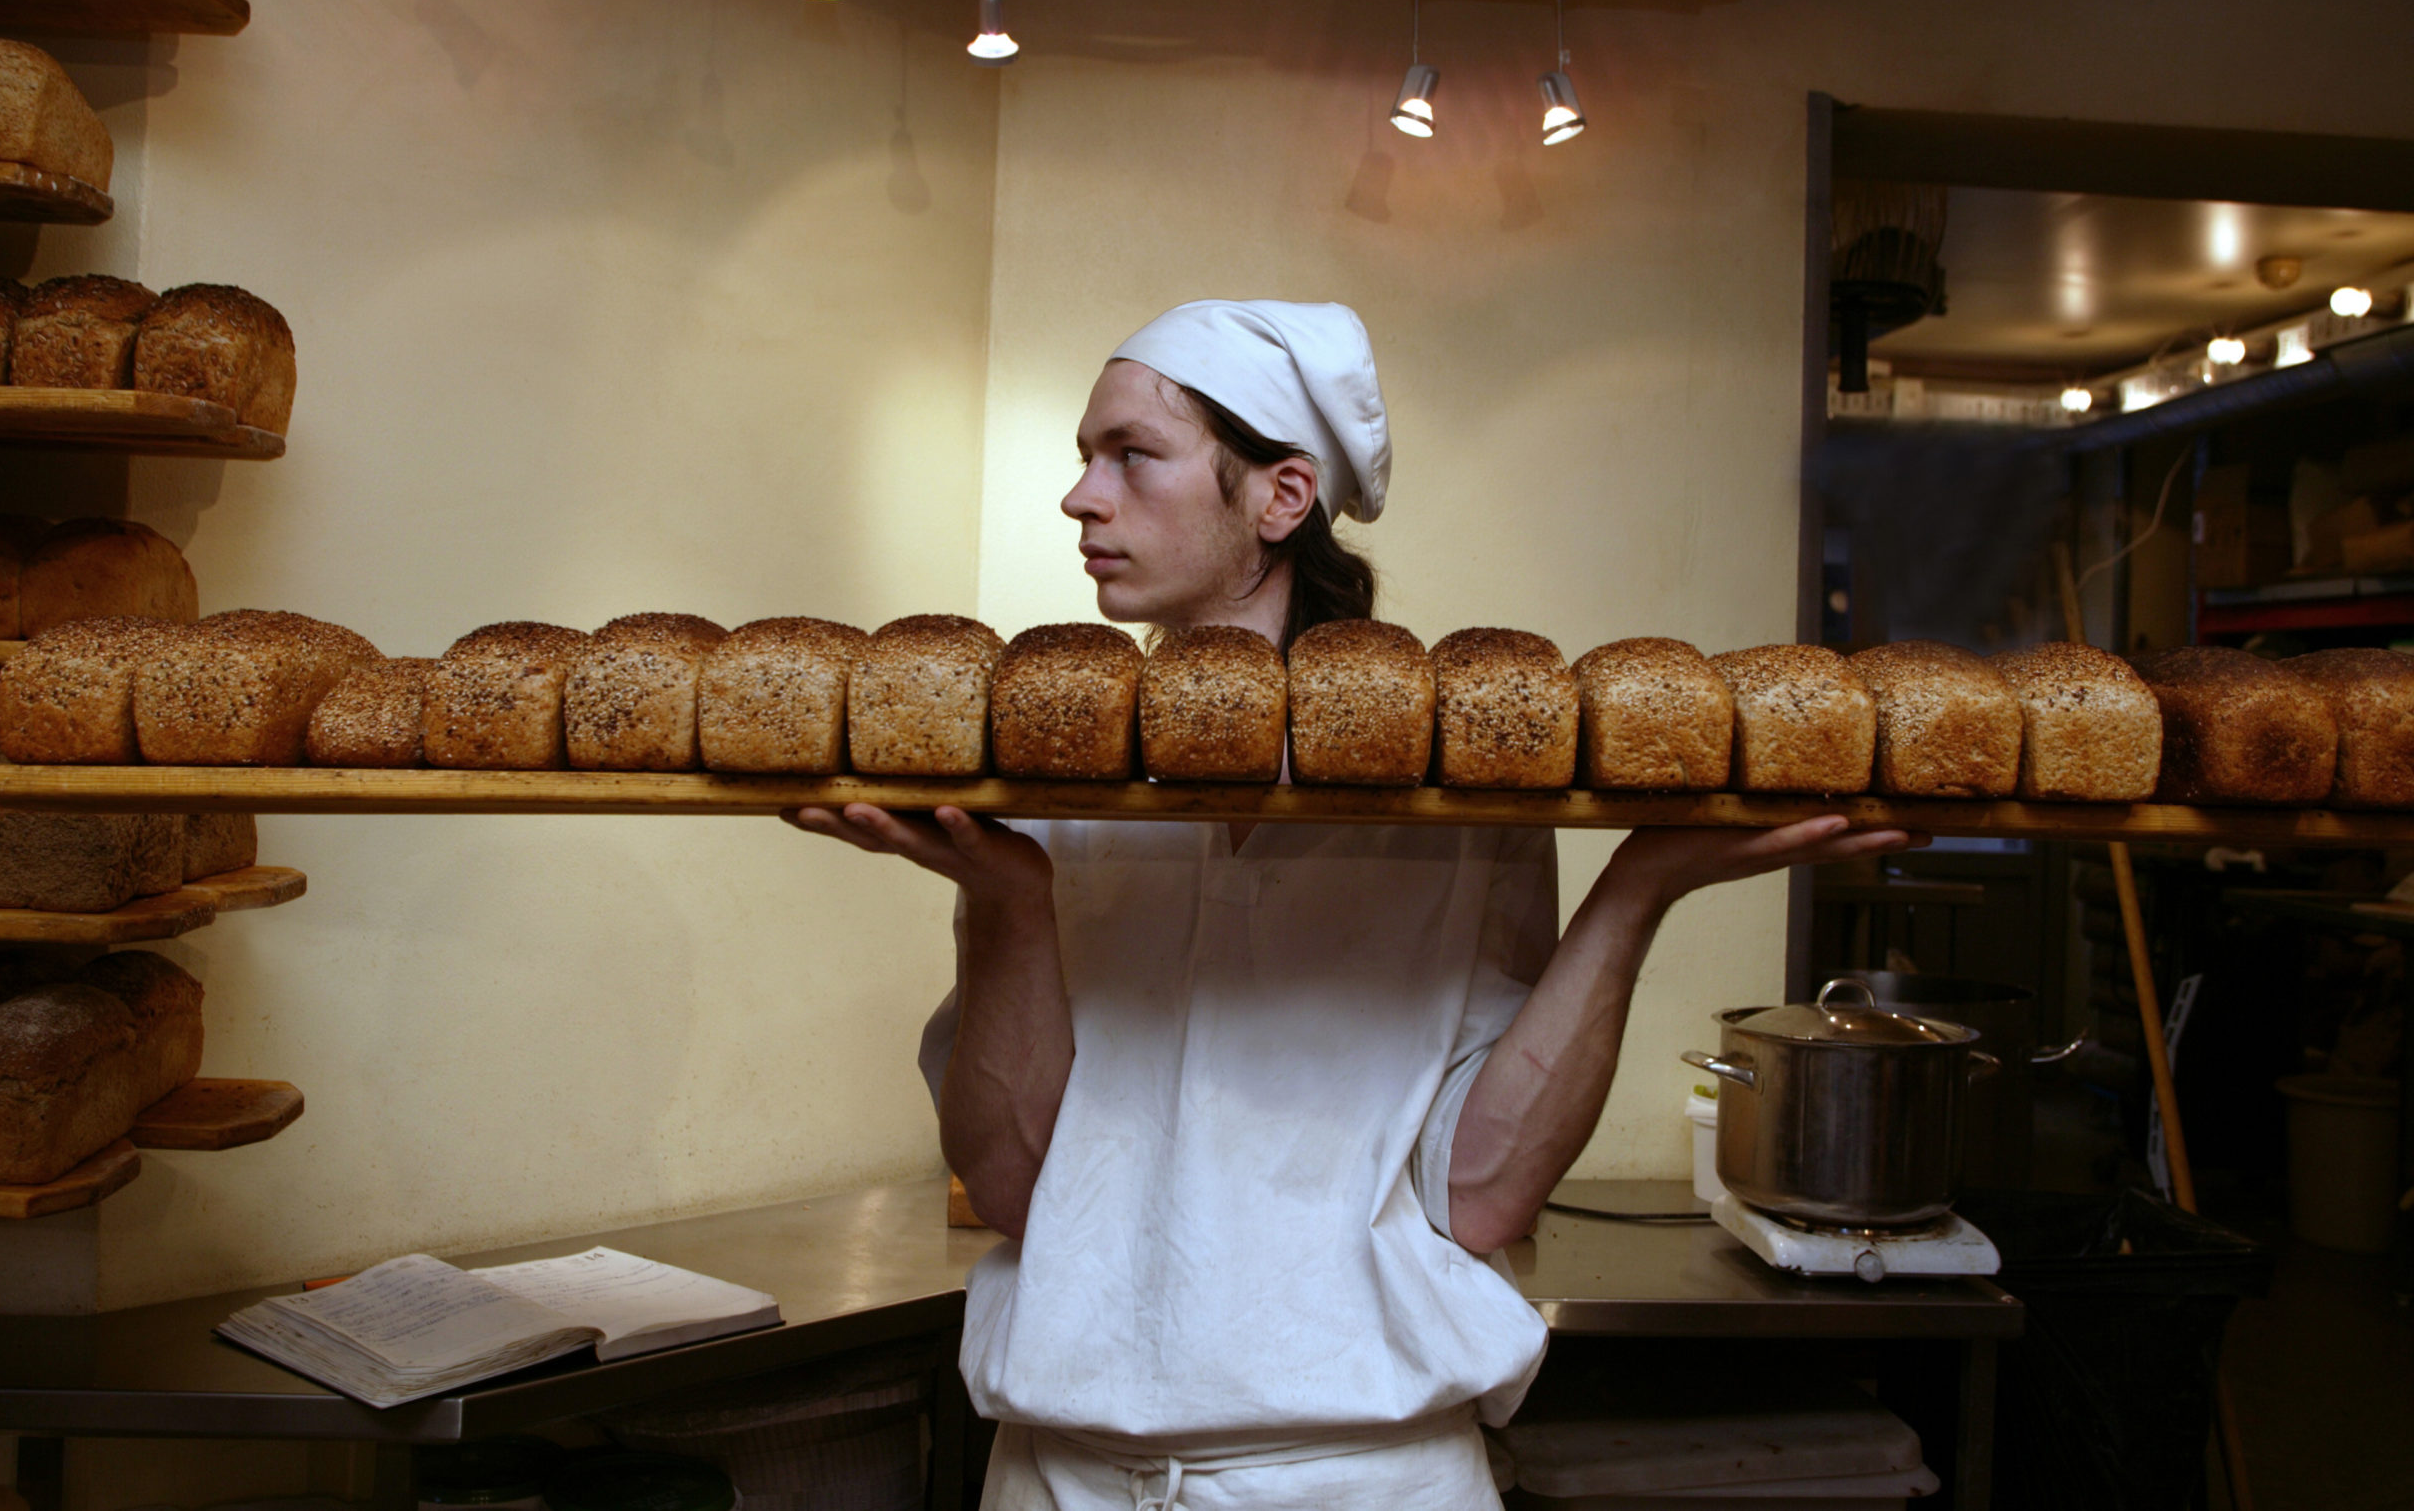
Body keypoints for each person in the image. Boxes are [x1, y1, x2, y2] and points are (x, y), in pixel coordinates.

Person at [787, 300, 1919, 1511]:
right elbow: (1014, 1189)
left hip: (1367, 1481)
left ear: (1279, 498)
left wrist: (1638, 888)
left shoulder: (1459, 781)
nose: (1080, 495)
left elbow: (1478, 1193)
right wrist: (1009, 900)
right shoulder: (1045, 779)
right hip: (1061, 1481)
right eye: (1082, 457)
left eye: (1130, 453)